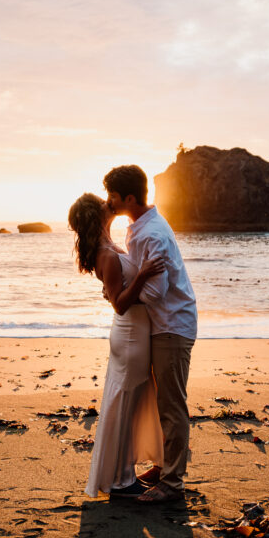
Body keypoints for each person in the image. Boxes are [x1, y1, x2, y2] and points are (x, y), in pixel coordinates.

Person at [104, 165, 198, 504]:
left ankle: (173, 484)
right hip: (162, 325)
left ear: (129, 197)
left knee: (172, 405)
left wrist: (126, 290)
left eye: (112, 196)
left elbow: (156, 292)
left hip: (172, 325)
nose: (109, 202)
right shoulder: (141, 227)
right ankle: (165, 466)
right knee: (162, 403)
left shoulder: (150, 234)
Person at [69, 193, 166, 498]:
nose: (108, 205)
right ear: (95, 217)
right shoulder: (106, 254)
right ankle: (122, 481)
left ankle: (124, 473)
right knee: (125, 403)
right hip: (129, 334)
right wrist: (145, 275)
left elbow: (115, 294)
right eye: (103, 205)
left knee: (131, 402)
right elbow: (120, 305)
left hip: (135, 332)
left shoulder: (108, 247)